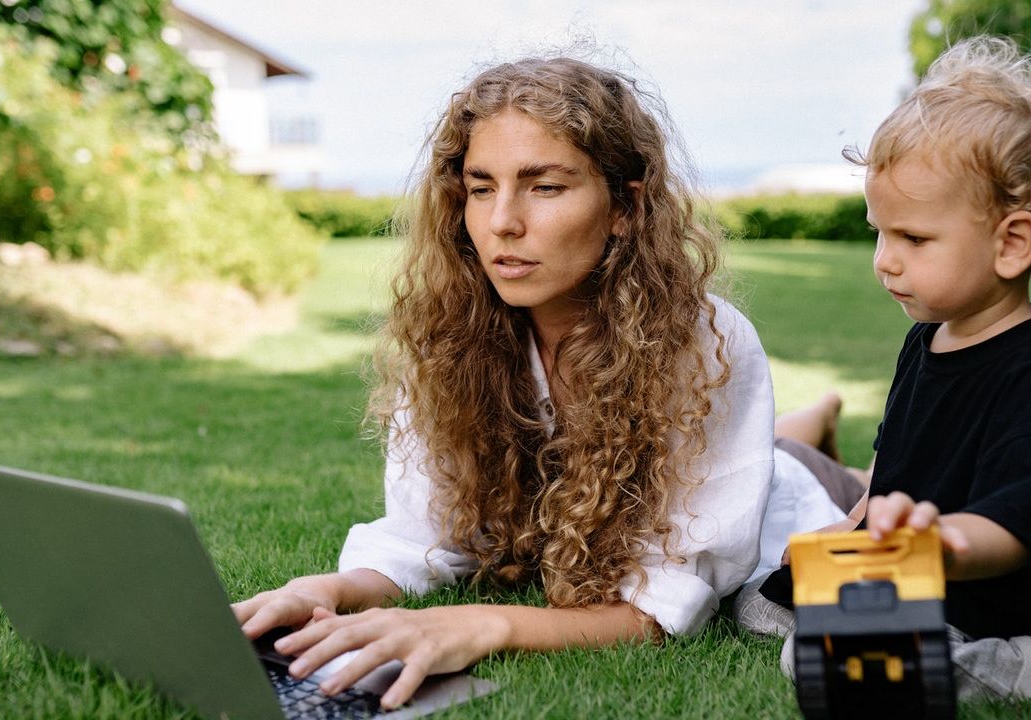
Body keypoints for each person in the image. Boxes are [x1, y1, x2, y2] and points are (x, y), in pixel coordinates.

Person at [232, 56, 859, 711]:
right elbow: (421, 534)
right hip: (729, 458)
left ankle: (814, 434)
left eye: (545, 187)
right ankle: (807, 424)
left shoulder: (707, 346)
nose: (502, 222)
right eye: (480, 188)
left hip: (780, 500)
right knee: (784, 446)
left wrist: (487, 623)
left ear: (624, 206)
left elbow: (663, 606)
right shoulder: (453, 336)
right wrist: (329, 589)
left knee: (820, 478)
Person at [734, 36, 1031, 700]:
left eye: (912, 239)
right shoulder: (926, 340)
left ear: (1011, 243)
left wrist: (936, 544)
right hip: (901, 574)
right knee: (753, 603)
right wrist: (849, 529)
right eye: (878, 231)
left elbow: (1014, 528)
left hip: (977, 596)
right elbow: (895, 466)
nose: (885, 260)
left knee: (815, 656)